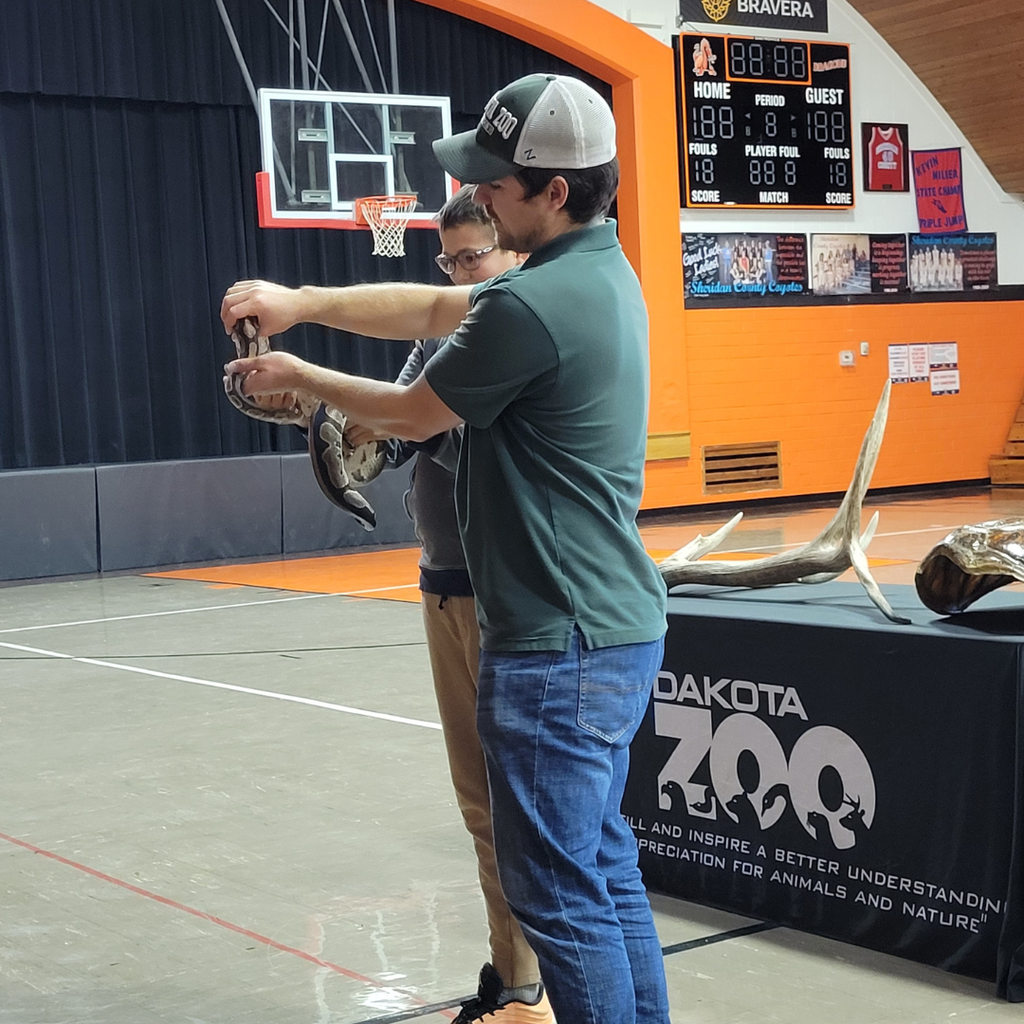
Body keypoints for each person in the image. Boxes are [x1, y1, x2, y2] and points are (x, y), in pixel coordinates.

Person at [222, 73, 672, 1024]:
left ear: (554, 191)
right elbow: (429, 309)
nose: (483, 197)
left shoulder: (532, 305)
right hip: (611, 626)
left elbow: (413, 410)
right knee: (602, 866)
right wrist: (304, 300)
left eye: (498, 183)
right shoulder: (598, 272)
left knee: (558, 894)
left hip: (556, 640)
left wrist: (301, 373)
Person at [346, 185, 552, 1023]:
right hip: (443, 584)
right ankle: (514, 978)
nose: (462, 273)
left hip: (507, 597)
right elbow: (395, 431)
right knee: (479, 807)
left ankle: (540, 985)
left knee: (522, 811)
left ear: (513, 252)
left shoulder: (522, 330)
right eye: (451, 261)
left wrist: (393, 420)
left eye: (475, 257)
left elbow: (449, 431)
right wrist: (337, 428)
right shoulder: (441, 335)